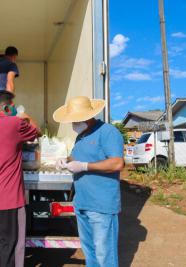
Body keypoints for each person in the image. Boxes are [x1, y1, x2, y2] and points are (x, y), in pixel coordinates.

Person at [53, 96, 124, 267]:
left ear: (87, 116)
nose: (73, 124)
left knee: (104, 255)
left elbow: (117, 163)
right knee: (90, 253)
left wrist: (84, 166)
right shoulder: (81, 136)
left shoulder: (108, 132)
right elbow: (77, 157)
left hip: (101, 206)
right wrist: (65, 160)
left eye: (75, 120)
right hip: (82, 203)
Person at [0, 90, 40, 267]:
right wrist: (25, 115)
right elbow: (37, 132)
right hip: (10, 197)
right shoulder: (15, 123)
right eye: (12, 106)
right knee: (12, 246)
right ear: (6, 107)